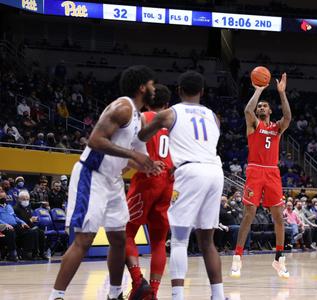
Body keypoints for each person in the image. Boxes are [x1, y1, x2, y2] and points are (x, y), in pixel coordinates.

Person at [48, 65, 158, 300]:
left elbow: (138, 156)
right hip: (92, 175)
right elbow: (95, 140)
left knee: (119, 238)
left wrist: (150, 166)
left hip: (113, 181)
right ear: (142, 87)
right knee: (84, 239)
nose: (155, 89)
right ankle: (56, 296)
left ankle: (114, 293)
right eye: (152, 85)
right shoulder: (122, 107)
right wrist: (133, 156)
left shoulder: (138, 117)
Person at [138, 70, 226, 300]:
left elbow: (142, 136)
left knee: (179, 238)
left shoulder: (170, 113)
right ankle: (218, 295)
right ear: (202, 92)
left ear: (178, 90)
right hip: (215, 171)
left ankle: (177, 296)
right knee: (207, 241)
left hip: (189, 171)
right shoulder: (213, 116)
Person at [231, 73, 292, 279]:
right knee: (249, 213)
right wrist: (258, 89)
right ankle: (237, 258)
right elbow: (248, 109)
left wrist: (282, 93)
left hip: (272, 171)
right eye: (260, 106)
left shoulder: (277, 128)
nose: (261, 108)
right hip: (256, 170)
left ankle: (279, 259)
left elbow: (288, 118)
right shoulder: (254, 125)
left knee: (279, 218)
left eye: (265, 106)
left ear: (271, 110)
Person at [125, 84, 174, 300]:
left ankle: (138, 282)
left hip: (147, 177)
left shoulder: (143, 117)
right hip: (169, 181)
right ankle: (151, 293)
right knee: (158, 241)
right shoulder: (174, 123)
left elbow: (130, 150)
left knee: (124, 232)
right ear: (167, 105)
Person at [13, 190, 49, 260]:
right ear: (19, 199)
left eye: (27, 199)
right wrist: (30, 220)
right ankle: (30, 253)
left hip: (28, 228)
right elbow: (19, 221)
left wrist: (33, 220)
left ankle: (42, 253)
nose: (26, 201)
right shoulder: (16, 208)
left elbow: (29, 221)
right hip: (20, 230)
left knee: (40, 232)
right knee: (33, 231)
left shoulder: (28, 208)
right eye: (24, 199)